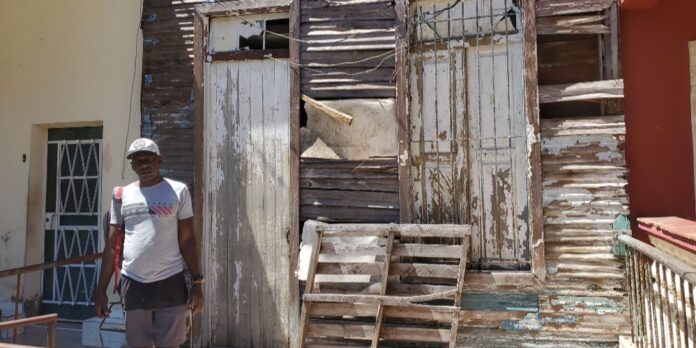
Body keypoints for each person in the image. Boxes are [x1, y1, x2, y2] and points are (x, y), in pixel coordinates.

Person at [94, 137, 203, 348]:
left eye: (149, 159)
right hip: (134, 284)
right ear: (132, 165)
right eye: (138, 161)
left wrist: (198, 283)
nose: (144, 165)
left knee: (171, 344)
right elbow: (111, 247)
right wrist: (101, 291)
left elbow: (188, 240)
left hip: (170, 282)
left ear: (159, 160)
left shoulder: (178, 191)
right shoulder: (121, 196)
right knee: (138, 345)